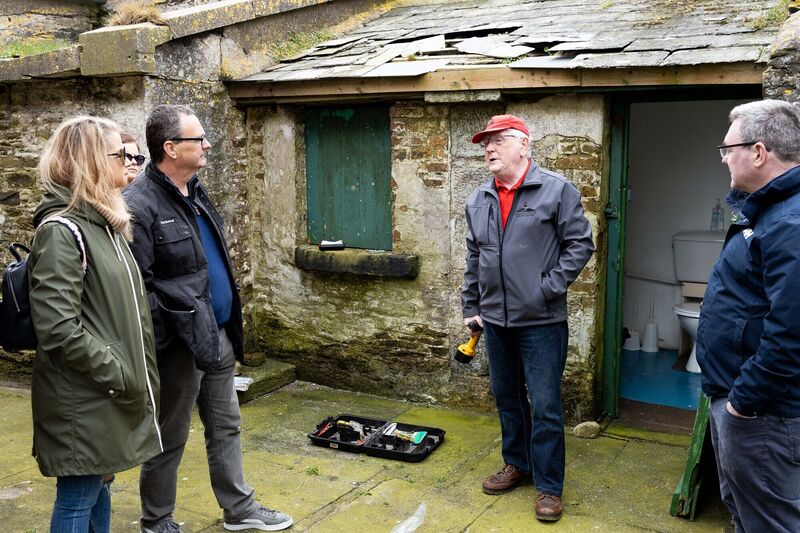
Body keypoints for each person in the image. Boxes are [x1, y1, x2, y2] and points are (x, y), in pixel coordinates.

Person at [123, 104, 293, 533]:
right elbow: (137, 288)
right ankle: (156, 520)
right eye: (198, 139)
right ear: (170, 147)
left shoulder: (194, 192)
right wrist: (173, 332)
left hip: (217, 334)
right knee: (171, 434)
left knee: (226, 425)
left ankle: (240, 509)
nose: (207, 144)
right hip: (180, 344)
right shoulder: (138, 205)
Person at [28, 116, 162, 532]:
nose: (129, 159)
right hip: (85, 398)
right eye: (119, 152)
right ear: (90, 160)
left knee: (99, 486)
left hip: (104, 395)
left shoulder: (106, 225)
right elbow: (57, 328)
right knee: (78, 496)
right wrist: (119, 373)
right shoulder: (62, 231)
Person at [461, 114, 594, 522]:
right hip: (495, 321)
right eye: (486, 142)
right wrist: (471, 306)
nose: (489, 148)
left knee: (546, 403)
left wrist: (547, 289)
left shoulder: (556, 190)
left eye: (498, 140)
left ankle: (550, 487)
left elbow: (580, 244)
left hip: (540, 321)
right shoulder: (478, 198)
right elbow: (474, 257)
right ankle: (517, 464)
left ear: (524, 144)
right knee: (507, 397)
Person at [697, 99, 800, 532]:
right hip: (745, 403)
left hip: (762, 414)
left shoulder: (789, 222)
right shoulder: (767, 211)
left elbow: (791, 333)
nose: (724, 158)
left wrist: (742, 403)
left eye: (728, 148)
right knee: (744, 511)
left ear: (758, 152)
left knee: (769, 522)